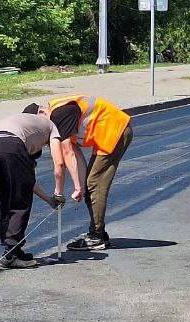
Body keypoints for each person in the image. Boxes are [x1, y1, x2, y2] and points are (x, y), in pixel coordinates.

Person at [0, 104, 80, 270]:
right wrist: (58, 193)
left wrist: (49, 200)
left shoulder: (24, 124)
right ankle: (11, 254)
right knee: (20, 200)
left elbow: (27, 179)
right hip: (11, 144)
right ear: (42, 112)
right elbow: (60, 163)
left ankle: (13, 249)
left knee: (4, 197)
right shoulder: (51, 126)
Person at [45, 95, 134, 251]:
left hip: (114, 132)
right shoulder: (58, 113)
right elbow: (75, 153)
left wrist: (79, 188)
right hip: (110, 133)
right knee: (90, 182)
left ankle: (97, 236)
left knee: (95, 183)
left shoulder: (58, 115)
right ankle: (98, 233)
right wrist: (80, 185)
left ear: (41, 114)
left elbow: (67, 154)